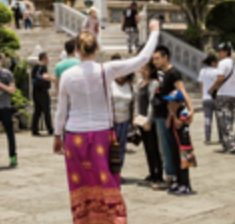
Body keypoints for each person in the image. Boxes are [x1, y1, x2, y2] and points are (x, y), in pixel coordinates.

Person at [54, 20, 161, 221]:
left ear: (76, 50)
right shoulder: (107, 70)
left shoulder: (67, 75)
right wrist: (154, 32)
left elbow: (61, 110)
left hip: (74, 136)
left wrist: (57, 135)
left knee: (81, 183)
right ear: (97, 47)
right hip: (101, 134)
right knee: (106, 179)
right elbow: (143, 58)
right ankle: (112, 218)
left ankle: (85, 219)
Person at [150, 44, 193, 193]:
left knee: (180, 150)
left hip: (174, 116)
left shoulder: (173, 73)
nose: (154, 61)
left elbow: (182, 91)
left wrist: (190, 109)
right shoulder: (163, 73)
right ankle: (178, 180)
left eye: (157, 58)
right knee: (172, 149)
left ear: (165, 57)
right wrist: (171, 115)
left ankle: (183, 182)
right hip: (168, 115)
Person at [209, 43, 235, 154]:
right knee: (229, 120)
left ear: (226, 52)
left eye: (220, 51)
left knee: (223, 120)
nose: (219, 53)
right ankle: (228, 143)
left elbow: (220, 79)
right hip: (232, 95)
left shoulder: (222, 63)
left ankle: (231, 144)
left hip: (223, 95)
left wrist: (212, 89)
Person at [134, 63, 163, 185]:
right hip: (141, 119)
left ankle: (158, 173)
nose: (142, 71)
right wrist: (135, 116)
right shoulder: (140, 82)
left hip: (150, 121)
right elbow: (137, 100)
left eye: (145, 69)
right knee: (146, 148)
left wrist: (149, 121)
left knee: (154, 147)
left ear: (151, 70)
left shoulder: (154, 83)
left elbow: (152, 103)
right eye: (142, 68)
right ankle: (151, 172)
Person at [109, 54, 136, 180]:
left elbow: (133, 103)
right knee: (109, 149)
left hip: (124, 121)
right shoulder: (109, 84)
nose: (121, 76)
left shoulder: (130, 86)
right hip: (110, 122)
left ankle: (117, 173)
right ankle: (108, 173)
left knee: (121, 148)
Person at [31, 52, 54, 136]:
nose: (48, 60)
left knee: (37, 111)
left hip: (36, 91)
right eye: (47, 58)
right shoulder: (42, 67)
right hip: (42, 91)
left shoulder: (35, 67)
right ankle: (50, 129)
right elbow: (45, 77)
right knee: (46, 110)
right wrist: (53, 79)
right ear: (44, 59)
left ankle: (34, 129)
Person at [197, 55, 219, 143]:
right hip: (217, 97)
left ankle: (207, 138)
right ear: (213, 63)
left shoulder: (202, 71)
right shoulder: (218, 72)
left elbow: (201, 85)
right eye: (216, 62)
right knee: (219, 118)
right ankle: (221, 137)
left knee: (207, 118)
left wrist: (203, 94)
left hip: (206, 97)